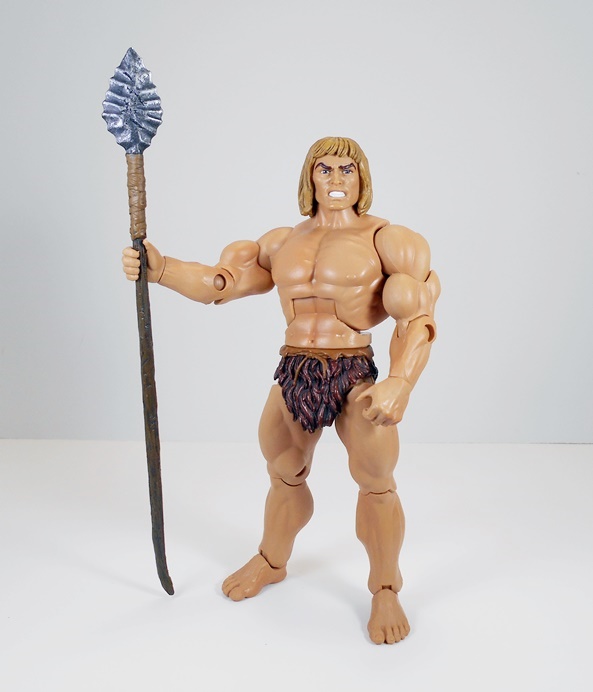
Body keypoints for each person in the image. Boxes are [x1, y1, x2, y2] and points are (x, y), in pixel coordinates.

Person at [122, 136, 440, 644]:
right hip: (295, 369)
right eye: (324, 169)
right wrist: (161, 269)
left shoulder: (388, 239)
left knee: (376, 479)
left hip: (354, 372)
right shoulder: (281, 242)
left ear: (362, 178)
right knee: (283, 470)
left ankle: (385, 588)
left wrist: (401, 381)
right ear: (309, 177)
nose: (335, 180)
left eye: (346, 169)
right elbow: (221, 284)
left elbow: (417, 314)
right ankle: (272, 560)